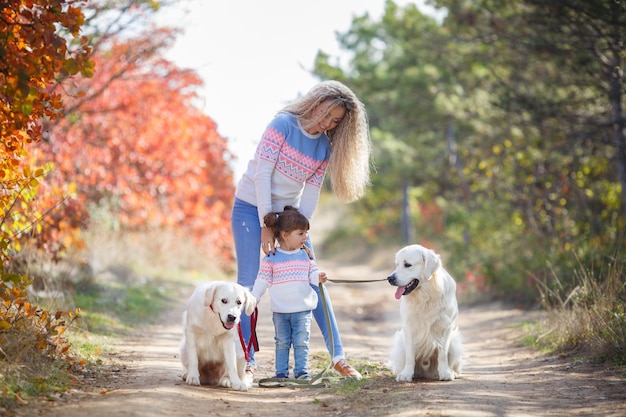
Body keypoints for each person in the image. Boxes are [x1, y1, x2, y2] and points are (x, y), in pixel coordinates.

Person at [231, 80, 371, 379]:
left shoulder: (323, 146)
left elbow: (311, 193)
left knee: (313, 281)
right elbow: (262, 176)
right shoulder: (283, 124)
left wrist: (300, 236)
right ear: (316, 102)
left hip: (288, 218)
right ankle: (247, 360)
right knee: (248, 283)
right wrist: (266, 224)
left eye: (335, 121)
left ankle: (338, 356)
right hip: (249, 206)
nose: (327, 123)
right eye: (326, 114)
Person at [250, 207, 327, 380]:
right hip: (280, 311)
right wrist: (254, 297)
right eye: (300, 233)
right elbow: (263, 281)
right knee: (282, 342)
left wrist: (318, 277)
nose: (305, 237)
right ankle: (281, 373)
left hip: (302, 310)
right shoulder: (271, 259)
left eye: (306, 233)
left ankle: (301, 372)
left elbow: (312, 273)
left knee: (301, 342)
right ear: (285, 235)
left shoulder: (305, 256)